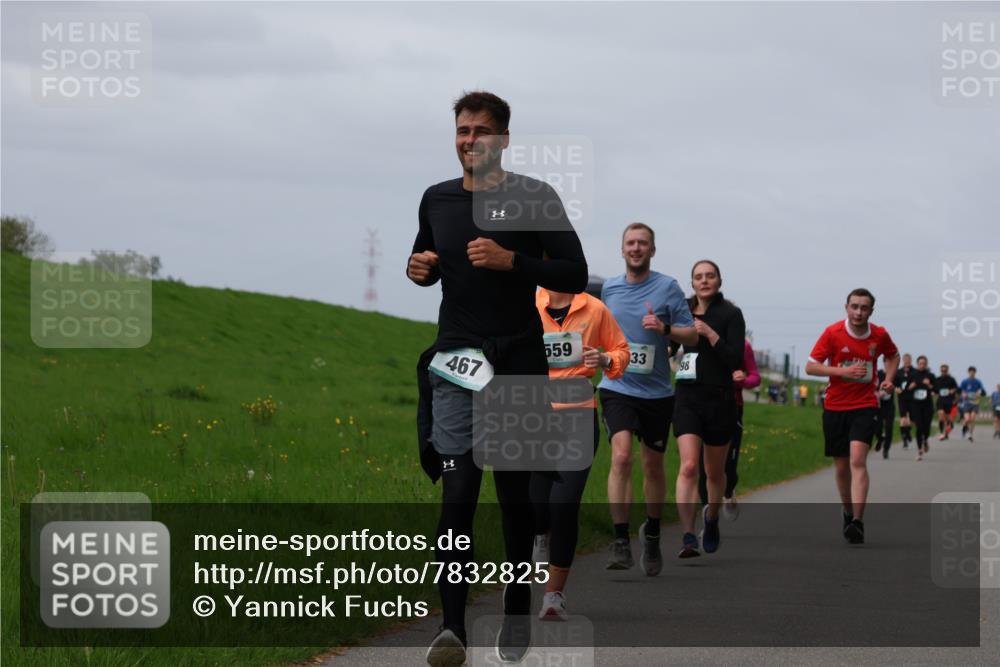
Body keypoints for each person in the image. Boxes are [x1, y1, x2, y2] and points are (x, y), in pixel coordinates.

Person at [409, 91, 588, 666]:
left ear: (504, 139)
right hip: (457, 359)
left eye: (482, 131)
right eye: (463, 130)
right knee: (459, 490)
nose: (470, 140)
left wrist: (516, 262)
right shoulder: (436, 200)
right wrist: (418, 269)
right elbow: (425, 261)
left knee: (513, 496)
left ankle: (515, 605)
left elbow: (575, 272)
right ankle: (452, 627)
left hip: (515, 362)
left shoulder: (534, 197)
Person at [598, 222, 696, 575]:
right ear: (621, 250)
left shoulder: (668, 287)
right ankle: (621, 539)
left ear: (652, 250)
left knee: (653, 465)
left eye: (643, 243)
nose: (636, 248)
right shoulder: (608, 289)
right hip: (616, 386)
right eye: (630, 243)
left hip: (657, 392)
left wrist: (667, 329)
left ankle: (652, 532)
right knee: (621, 457)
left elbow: (694, 338)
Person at [531, 288, 629, 620]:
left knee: (564, 504)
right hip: (533, 415)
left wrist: (605, 360)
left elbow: (621, 350)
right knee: (535, 506)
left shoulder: (596, 309)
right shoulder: (528, 305)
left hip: (578, 415)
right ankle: (539, 532)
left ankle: (554, 596)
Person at [805, 288, 899, 545]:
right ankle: (847, 511)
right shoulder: (833, 332)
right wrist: (840, 371)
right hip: (835, 406)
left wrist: (889, 380)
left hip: (866, 405)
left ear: (871, 311)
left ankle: (857, 521)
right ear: (846, 307)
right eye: (854, 306)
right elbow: (811, 366)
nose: (859, 312)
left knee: (858, 460)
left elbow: (893, 355)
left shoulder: (879, 335)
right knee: (841, 466)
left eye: (864, 307)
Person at [673, 260, 746, 556]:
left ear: (718, 280)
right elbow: (669, 344)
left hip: (719, 399)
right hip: (687, 397)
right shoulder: (682, 310)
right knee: (689, 466)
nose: (704, 281)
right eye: (698, 277)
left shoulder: (731, 314)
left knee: (713, 472)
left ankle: (712, 518)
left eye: (710, 276)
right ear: (692, 282)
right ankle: (688, 536)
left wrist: (710, 334)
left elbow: (735, 359)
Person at [697, 339, 760, 520]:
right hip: (703, 406)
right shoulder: (699, 340)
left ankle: (728, 490)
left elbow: (755, 376)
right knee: (704, 467)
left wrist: (743, 380)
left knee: (728, 468)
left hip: (731, 408)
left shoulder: (743, 345)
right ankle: (708, 517)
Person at [908, 356, 936, 460]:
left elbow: (936, 390)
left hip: (927, 405)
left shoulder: (931, 376)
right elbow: (906, 389)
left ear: (927, 364)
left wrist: (930, 386)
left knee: (926, 427)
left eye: (924, 363)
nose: (922, 365)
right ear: (917, 364)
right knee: (919, 427)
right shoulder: (913, 375)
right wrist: (910, 387)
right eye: (920, 363)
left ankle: (926, 439)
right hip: (915, 405)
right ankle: (920, 451)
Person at [958, 366, 987, 441]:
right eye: (970, 372)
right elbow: (960, 390)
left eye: (973, 372)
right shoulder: (964, 381)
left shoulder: (978, 381)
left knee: (972, 419)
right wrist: (963, 394)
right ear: (968, 372)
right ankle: (964, 428)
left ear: (975, 373)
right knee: (967, 419)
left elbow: (982, 391)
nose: (972, 374)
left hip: (975, 402)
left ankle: (970, 434)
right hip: (967, 402)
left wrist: (979, 393)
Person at [894, 354, 916, 448]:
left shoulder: (915, 372)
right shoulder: (899, 372)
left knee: (911, 420)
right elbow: (894, 383)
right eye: (905, 360)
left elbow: (918, 381)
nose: (907, 361)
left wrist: (915, 384)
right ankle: (904, 439)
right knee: (903, 419)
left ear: (911, 360)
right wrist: (896, 388)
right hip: (902, 398)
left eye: (909, 360)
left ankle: (908, 432)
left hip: (912, 398)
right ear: (903, 361)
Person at [934, 364, 959, 441]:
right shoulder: (937, 379)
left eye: (945, 371)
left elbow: (957, 389)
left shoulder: (951, 379)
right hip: (940, 401)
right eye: (942, 370)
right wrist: (933, 392)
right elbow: (935, 390)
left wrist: (953, 390)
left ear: (947, 371)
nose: (943, 372)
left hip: (949, 401)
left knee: (948, 420)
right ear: (940, 371)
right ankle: (941, 433)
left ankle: (947, 431)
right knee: (941, 416)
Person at [874, 369, 895, 459]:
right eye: (886, 362)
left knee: (889, 428)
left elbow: (901, 385)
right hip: (879, 405)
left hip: (889, 406)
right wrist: (878, 393)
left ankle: (886, 449)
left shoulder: (895, 375)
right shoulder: (878, 374)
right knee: (877, 426)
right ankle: (880, 438)